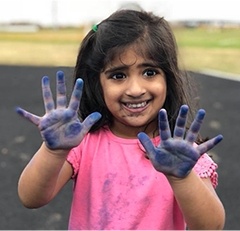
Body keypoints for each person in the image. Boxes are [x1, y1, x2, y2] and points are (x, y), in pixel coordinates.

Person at [16, 9, 225, 230]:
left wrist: (182, 179)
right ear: (98, 84)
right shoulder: (83, 144)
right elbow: (31, 198)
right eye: (118, 75)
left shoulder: (184, 154)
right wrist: (53, 151)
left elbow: (210, 226)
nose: (135, 89)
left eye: (150, 72)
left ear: (168, 77)